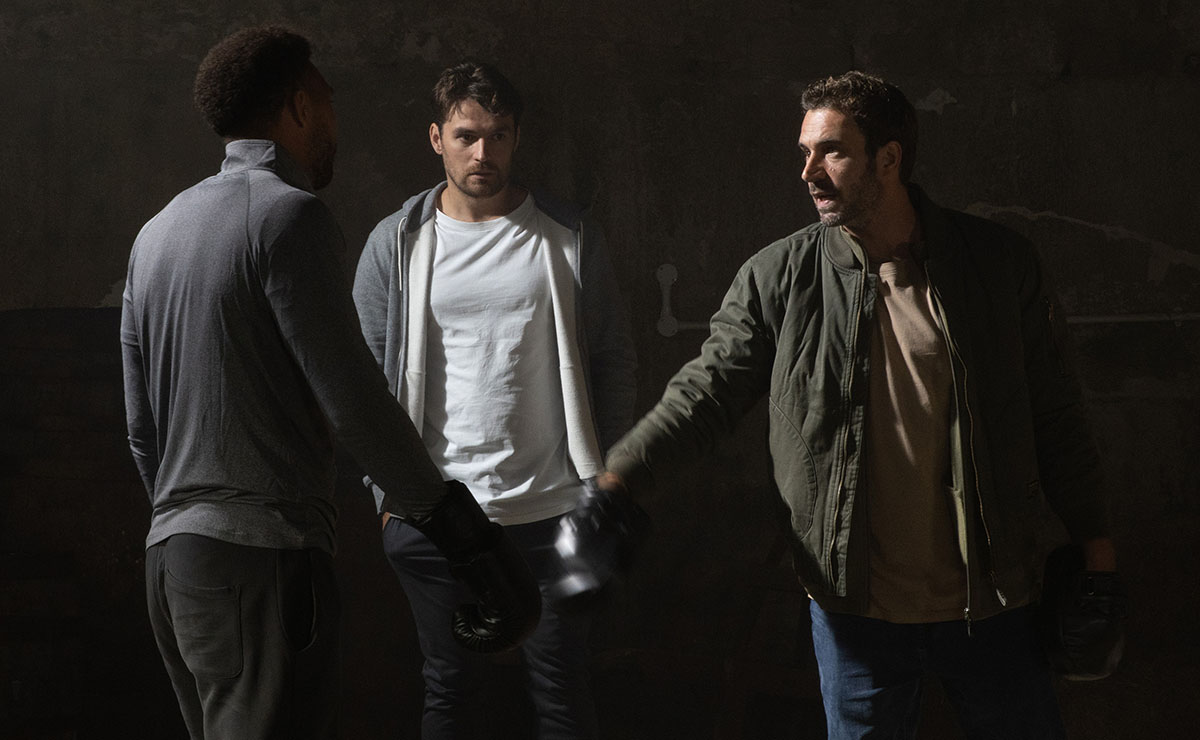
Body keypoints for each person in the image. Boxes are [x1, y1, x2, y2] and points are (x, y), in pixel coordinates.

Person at [595, 71, 1119, 738]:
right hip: (856, 612)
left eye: (832, 151)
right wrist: (619, 478)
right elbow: (707, 393)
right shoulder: (778, 277)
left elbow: (1057, 415)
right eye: (804, 152)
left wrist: (1098, 554)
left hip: (993, 600)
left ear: (889, 158)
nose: (809, 172)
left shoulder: (997, 264)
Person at [121, 28, 539, 740]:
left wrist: (190, 522)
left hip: (173, 567)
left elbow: (140, 429)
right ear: (299, 108)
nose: (336, 125)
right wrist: (471, 543)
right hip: (262, 562)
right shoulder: (289, 216)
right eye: (328, 103)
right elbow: (353, 400)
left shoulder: (156, 233)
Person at [352, 61, 636, 739]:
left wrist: (606, 479)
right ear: (437, 139)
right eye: (466, 135)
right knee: (451, 689)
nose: (484, 153)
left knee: (562, 689)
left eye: (498, 135)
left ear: (516, 138)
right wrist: (386, 499)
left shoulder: (569, 235)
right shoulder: (397, 243)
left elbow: (614, 360)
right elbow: (361, 386)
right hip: (437, 518)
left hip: (554, 511)